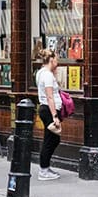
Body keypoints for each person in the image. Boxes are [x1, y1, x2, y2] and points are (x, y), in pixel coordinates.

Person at [36, 48, 62, 180]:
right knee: (50, 140)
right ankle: (43, 171)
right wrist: (55, 116)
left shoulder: (42, 72)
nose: (57, 61)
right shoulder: (46, 75)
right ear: (51, 60)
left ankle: (45, 167)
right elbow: (50, 96)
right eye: (56, 59)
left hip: (46, 109)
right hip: (49, 110)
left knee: (52, 139)